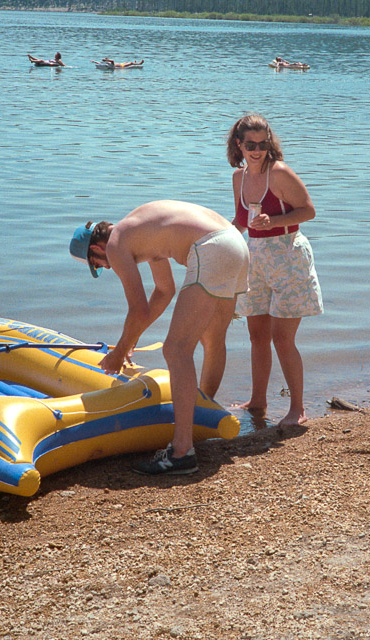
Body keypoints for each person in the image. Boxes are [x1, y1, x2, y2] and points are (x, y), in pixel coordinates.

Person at [69, 200, 249, 475]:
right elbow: (164, 290)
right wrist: (130, 341)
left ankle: (181, 451)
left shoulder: (117, 244)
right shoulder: (141, 231)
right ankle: (201, 420)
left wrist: (119, 352)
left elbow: (138, 308)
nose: (105, 268)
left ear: (96, 248)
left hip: (211, 248)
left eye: (97, 264)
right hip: (235, 243)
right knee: (212, 341)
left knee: (175, 350)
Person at [226, 114, 323, 428]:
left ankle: (298, 409)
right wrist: (217, 242)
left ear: (270, 143)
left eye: (262, 144)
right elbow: (242, 222)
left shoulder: (279, 173)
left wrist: (274, 221)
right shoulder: (238, 178)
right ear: (238, 145)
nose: (257, 150)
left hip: (288, 256)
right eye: (250, 144)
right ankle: (258, 401)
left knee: (282, 338)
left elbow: (308, 210)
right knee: (257, 337)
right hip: (255, 259)